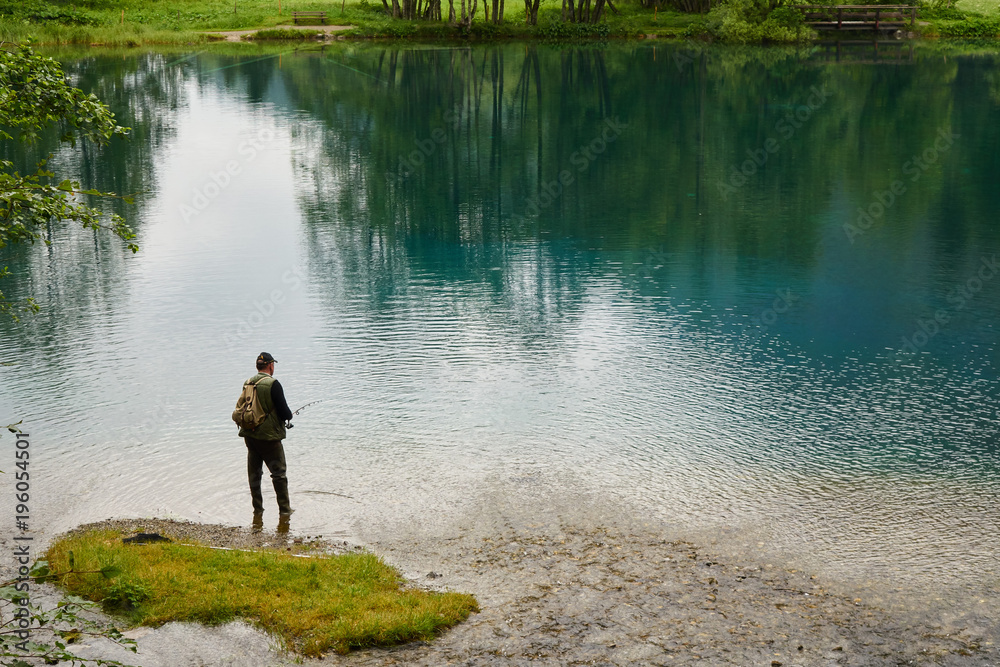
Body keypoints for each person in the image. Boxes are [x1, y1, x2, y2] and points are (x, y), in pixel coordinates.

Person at [239, 352, 294, 516]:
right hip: (269, 438)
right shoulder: (273, 384)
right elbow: (285, 413)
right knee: (279, 474)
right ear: (270, 365)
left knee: (254, 473)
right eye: (273, 365)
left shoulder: (248, 382)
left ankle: (257, 510)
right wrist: (289, 416)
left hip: (250, 435)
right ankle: (285, 511)